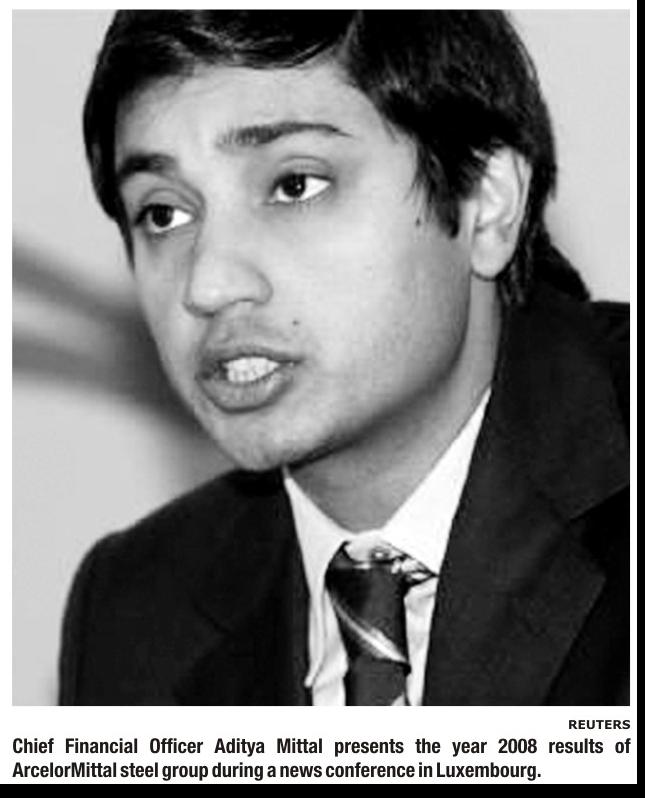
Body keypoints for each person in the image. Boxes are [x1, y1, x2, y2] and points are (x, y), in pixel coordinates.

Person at [58, 10, 629, 706]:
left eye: (295, 184)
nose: (208, 284)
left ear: (484, 202)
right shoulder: (130, 608)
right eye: (163, 214)